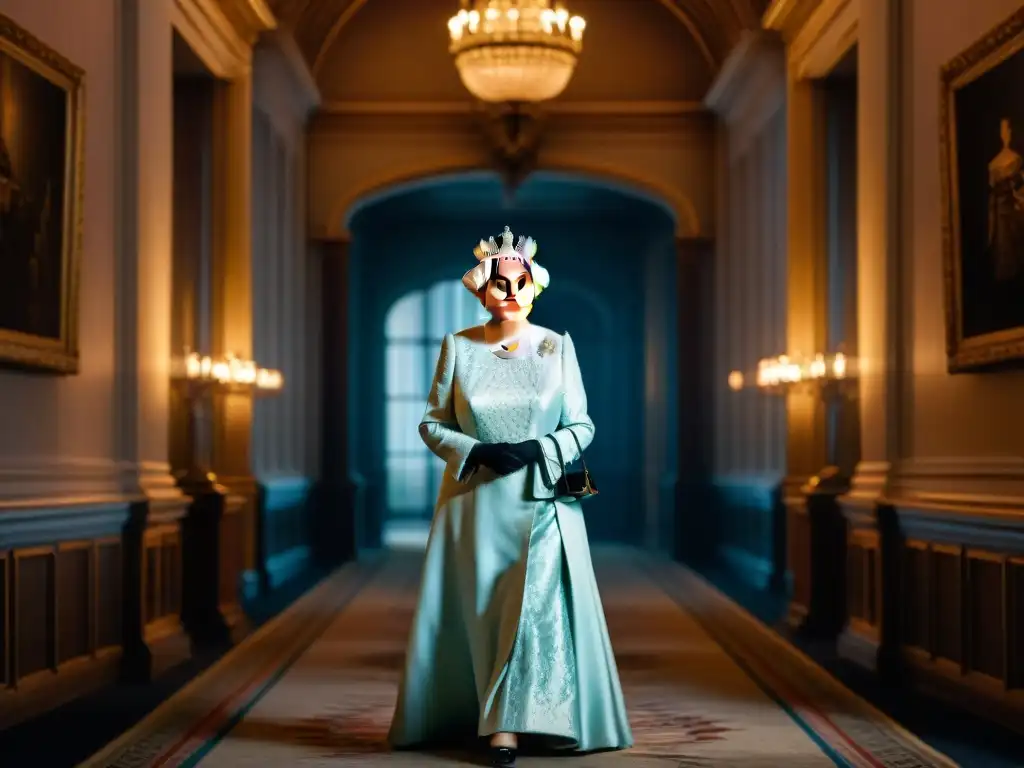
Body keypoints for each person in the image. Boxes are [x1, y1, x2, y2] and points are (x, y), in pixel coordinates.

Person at [387, 227, 632, 767]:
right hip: (474, 504)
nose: (512, 292)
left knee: (534, 607)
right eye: (501, 283)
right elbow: (432, 423)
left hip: (542, 499)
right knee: (482, 611)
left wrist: (541, 448)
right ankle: (480, 714)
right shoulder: (458, 346)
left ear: (535, 287)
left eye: (522, 283)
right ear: (480, 289)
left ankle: (509, 728)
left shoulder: (557, 347)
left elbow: (581, 424)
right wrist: (475, 451)